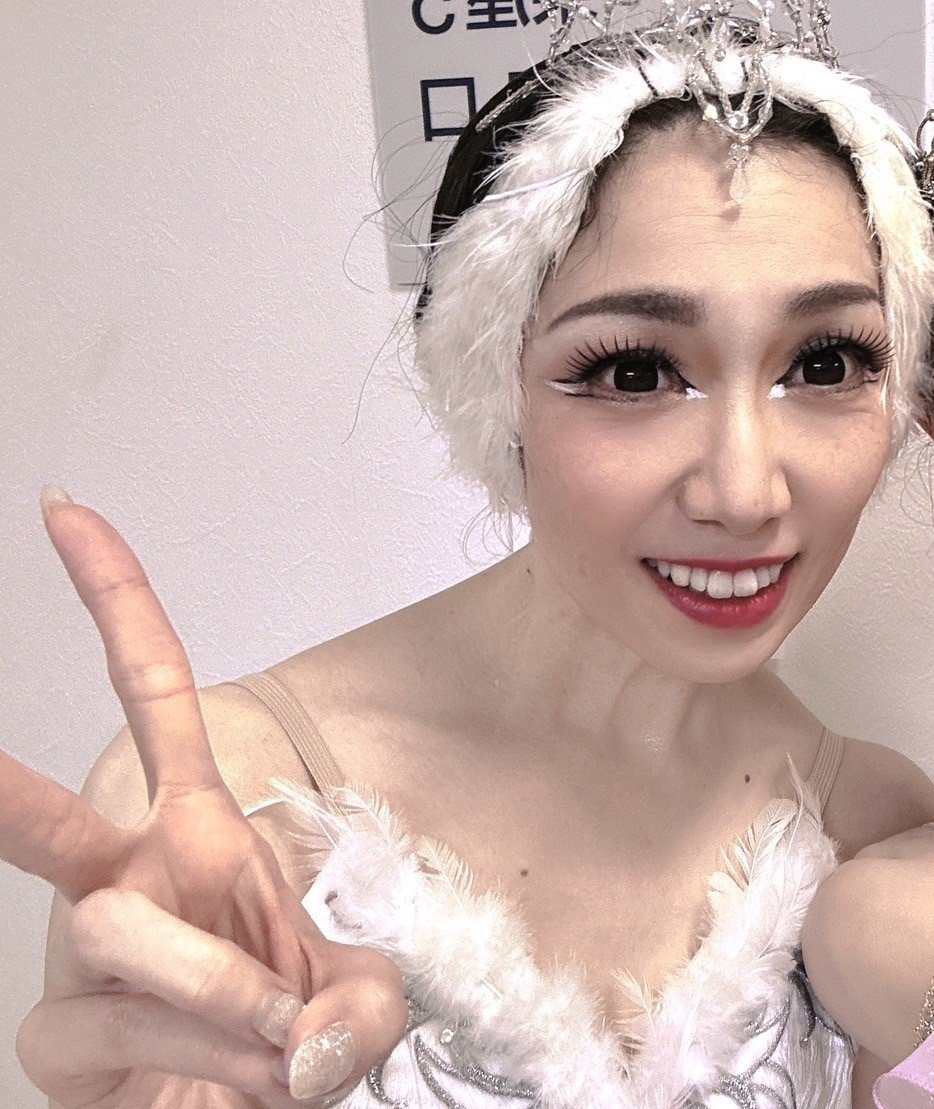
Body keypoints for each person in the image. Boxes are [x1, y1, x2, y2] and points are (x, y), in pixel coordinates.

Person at [6, 2, 934, 1106]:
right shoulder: (232, 799)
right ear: (496, 393)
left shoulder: (871, 837)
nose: (745, 492)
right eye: (635, 372)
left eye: (827, 362)